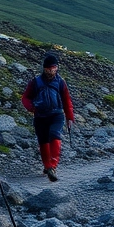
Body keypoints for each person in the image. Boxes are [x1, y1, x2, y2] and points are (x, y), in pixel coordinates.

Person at [21, 53, 75, 182]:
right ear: (44, 69)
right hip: (40, 115)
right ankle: (47, 166)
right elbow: (25, 98)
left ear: (57, 68)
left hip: (56, 114)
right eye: (48, 69)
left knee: (55, 134)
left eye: (53, 69)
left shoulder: (61, 82)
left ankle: (53, 166)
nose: (51, 71)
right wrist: (31, 107)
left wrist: (69, 117)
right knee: (43, 141)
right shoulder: (35, 82)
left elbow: (66, 100)